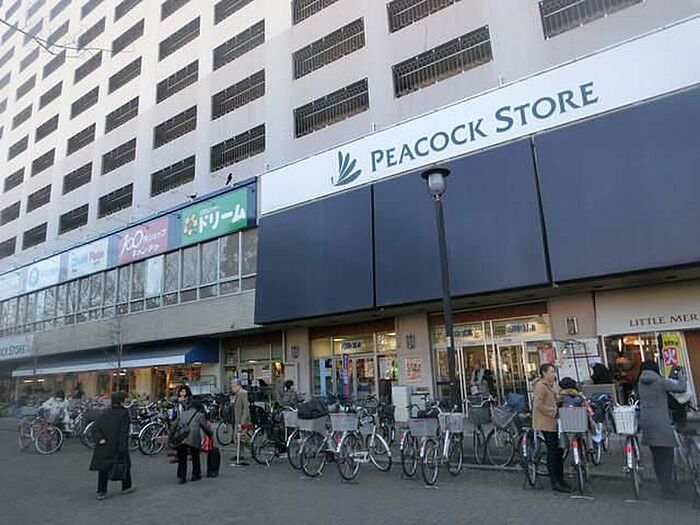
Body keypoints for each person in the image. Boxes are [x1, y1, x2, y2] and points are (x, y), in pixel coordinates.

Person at [637, 361, 687, 499]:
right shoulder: (660, 382)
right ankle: (667, 489)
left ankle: (663, 484)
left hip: (647, 422)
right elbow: (681, 388)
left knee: (657, 457)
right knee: (667, 457)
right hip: (661, 423)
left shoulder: (640, 382)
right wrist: (681, 375)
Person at [532, 363, 571, 493]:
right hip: (546, 423)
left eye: (554, 372)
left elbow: (553, 399)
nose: (554, 374)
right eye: (551, 372)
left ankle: (561, 479)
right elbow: (538, 405)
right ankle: (555, 481)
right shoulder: (540, 386)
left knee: (558, 451)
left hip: (553, 423)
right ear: (544, 373)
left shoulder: (550, 385)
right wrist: (553, 411)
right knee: (553, 451)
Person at [89, 392, 134, 500]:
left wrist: (100, 439)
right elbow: (123, 432)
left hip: (104, 446)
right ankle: (126, 487)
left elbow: (94, 427)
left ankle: (101, 491)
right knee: (124, 465)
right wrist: (123, 448)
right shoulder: (124, 413)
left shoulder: (105, 412)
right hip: (116, 445)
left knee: (103, 469)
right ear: (122, 401)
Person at [174, 399, 213, 484]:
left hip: (182, 437)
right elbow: (205, 427)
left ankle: (182, 477)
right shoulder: (199, 415)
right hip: (193, 438)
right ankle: (195, 475)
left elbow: (175, 424)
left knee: (182, 457)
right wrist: (210, 434)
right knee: (195, 455)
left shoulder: (183, 413)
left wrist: (172, 438)